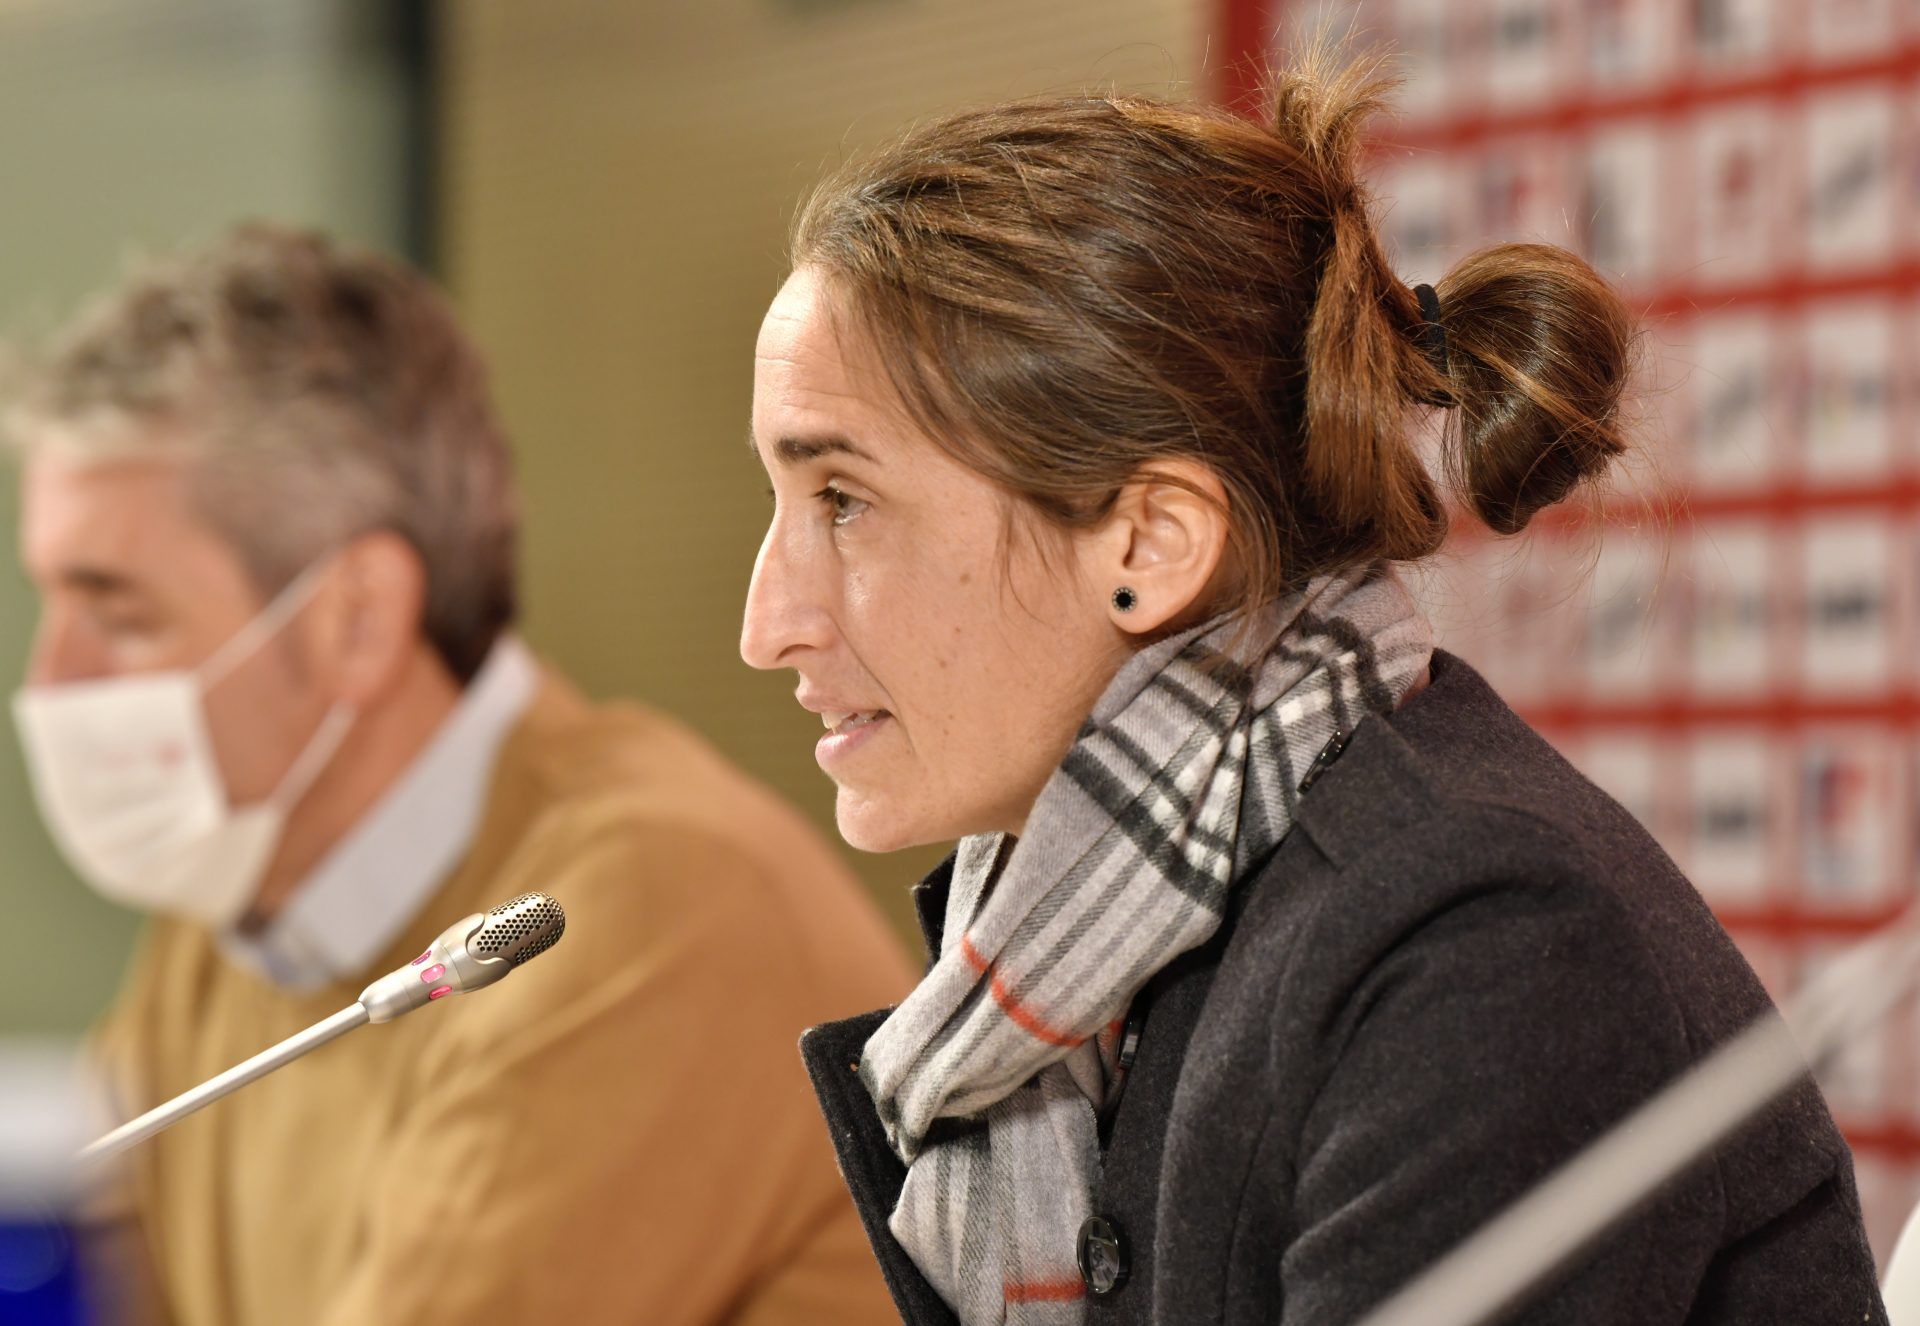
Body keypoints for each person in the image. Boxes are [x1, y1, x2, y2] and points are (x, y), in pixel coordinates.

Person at [739, 48, 1887, 1326]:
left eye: (842, 502)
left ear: (1151, 543)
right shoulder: (1081, 951)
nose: (766, 624)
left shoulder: (1482, 938)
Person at [6, 224, 914, 1326]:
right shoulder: (230, 922)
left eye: (119, 610)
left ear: (356, 619)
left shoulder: (641, 909)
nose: (50, 677)